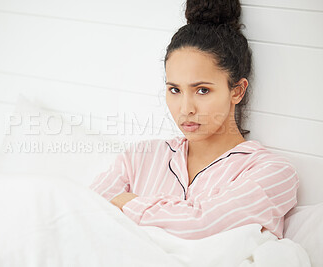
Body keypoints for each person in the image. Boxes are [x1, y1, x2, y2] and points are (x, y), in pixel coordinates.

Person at [89, 0, 299, 240]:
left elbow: (200, 226)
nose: (186, 109)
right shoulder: (139, 157)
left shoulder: (272, 173)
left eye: (202, 90)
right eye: (175, 90)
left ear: (237, 91)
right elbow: (85, 211)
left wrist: (128, 203)